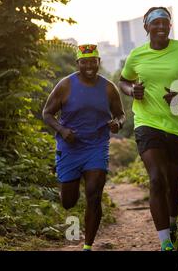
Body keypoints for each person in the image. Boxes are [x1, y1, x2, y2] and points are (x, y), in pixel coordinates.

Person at [118, 7, 178, 251]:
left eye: (165, 23)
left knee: (173, 184)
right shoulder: (136, 56)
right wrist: (131, 91)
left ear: (170, 26)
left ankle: (172, 224)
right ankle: (165, 243)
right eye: (156, 23)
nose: (161, 27)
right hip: (147, 123)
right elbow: (124, 81)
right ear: (146, 27)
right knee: (157, 180)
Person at [42, 44, 125, 251]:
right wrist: (62, 130)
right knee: (69, 202)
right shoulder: (65, 85)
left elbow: (120, 114)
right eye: (84, 62)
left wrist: (118, 123)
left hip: (96, 146)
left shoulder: (108, 87)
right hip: (70, 147)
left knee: (94, 194)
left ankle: (88, 245)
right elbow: (47, 113)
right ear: (77, 63)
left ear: (99, 62)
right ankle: (73, 180)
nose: (89, 66)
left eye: (93, 62)